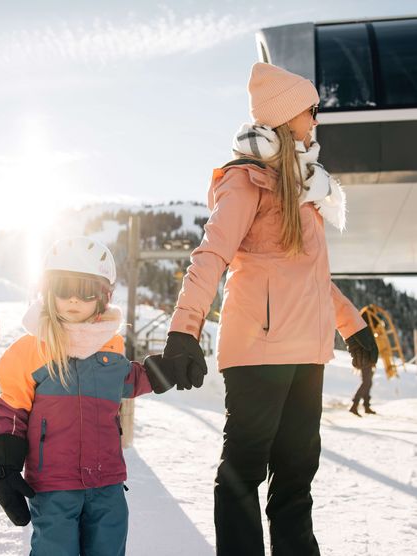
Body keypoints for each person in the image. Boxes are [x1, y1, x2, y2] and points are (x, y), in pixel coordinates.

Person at [157, 62, 379, 555]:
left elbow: (312, 279)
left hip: (307, 353)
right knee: (243, 473)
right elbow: (211, 254)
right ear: (284, 116)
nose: (316, 122)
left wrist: (353, 326)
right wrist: (183, 330)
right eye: (310, 112)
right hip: (257, 350)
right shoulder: (245, 180)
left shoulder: (306, 187)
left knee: (297, 478)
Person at [0, 237, 173, 556]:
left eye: (85, 290)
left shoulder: (110, 349)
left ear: (103, 297)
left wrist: (166, 370)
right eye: (63, 288)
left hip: (108, 484)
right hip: (54, 486)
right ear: (47, 291)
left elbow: (129, 379)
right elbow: (11, 411)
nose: (73, 298)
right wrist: (4, 466)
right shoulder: (33, 349)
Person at [349, 310, 380, 416]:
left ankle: (366, 406)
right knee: (366, 382)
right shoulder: (365, 330)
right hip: (365, 359)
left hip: (365, 359)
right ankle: (355, 405)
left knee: (367, 382)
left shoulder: (360, 327)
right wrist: (373, 359)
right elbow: (371, 346)